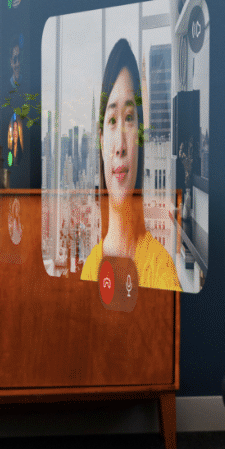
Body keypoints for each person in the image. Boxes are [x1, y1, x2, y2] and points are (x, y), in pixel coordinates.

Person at [80, 38, 181, 292]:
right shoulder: (89, 269)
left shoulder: (162, 273)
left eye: (129, 118)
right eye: (112, 120)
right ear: (101, 141)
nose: (120, 146)